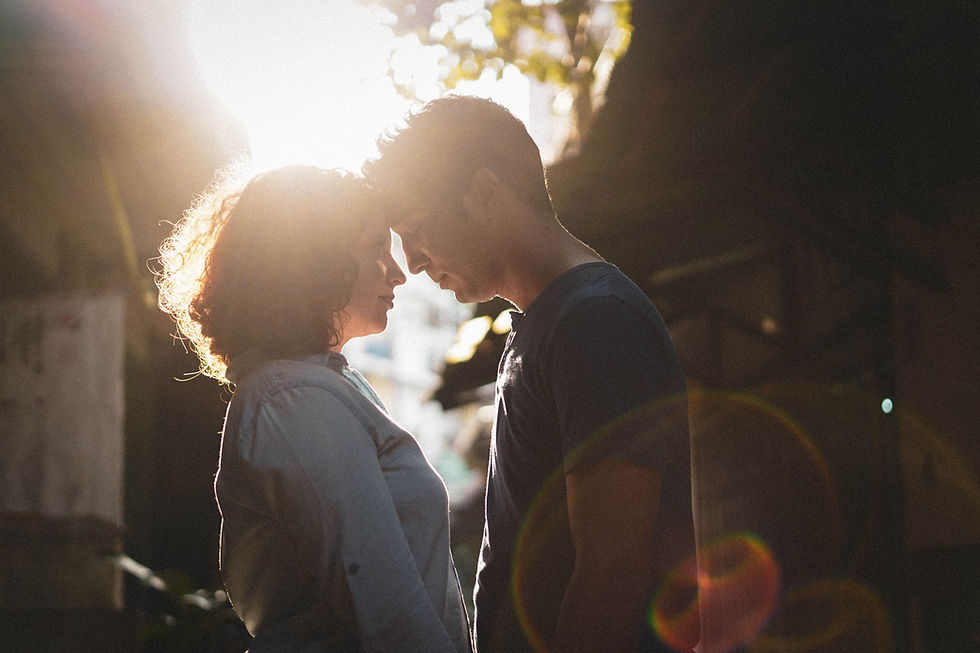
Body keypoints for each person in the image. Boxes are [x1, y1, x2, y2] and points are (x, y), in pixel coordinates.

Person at [363, 95, 700, 653]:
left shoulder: (595, 322)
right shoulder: (547, 323)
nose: (414, 262)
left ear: (486, 193)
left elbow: (613, 572)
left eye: (418, 228)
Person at [154, 164, 472, 653]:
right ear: (314, 262)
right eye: (374, 249)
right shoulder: (294, 399)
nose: (399, 272)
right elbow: (388, 612)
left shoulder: (317, 387)